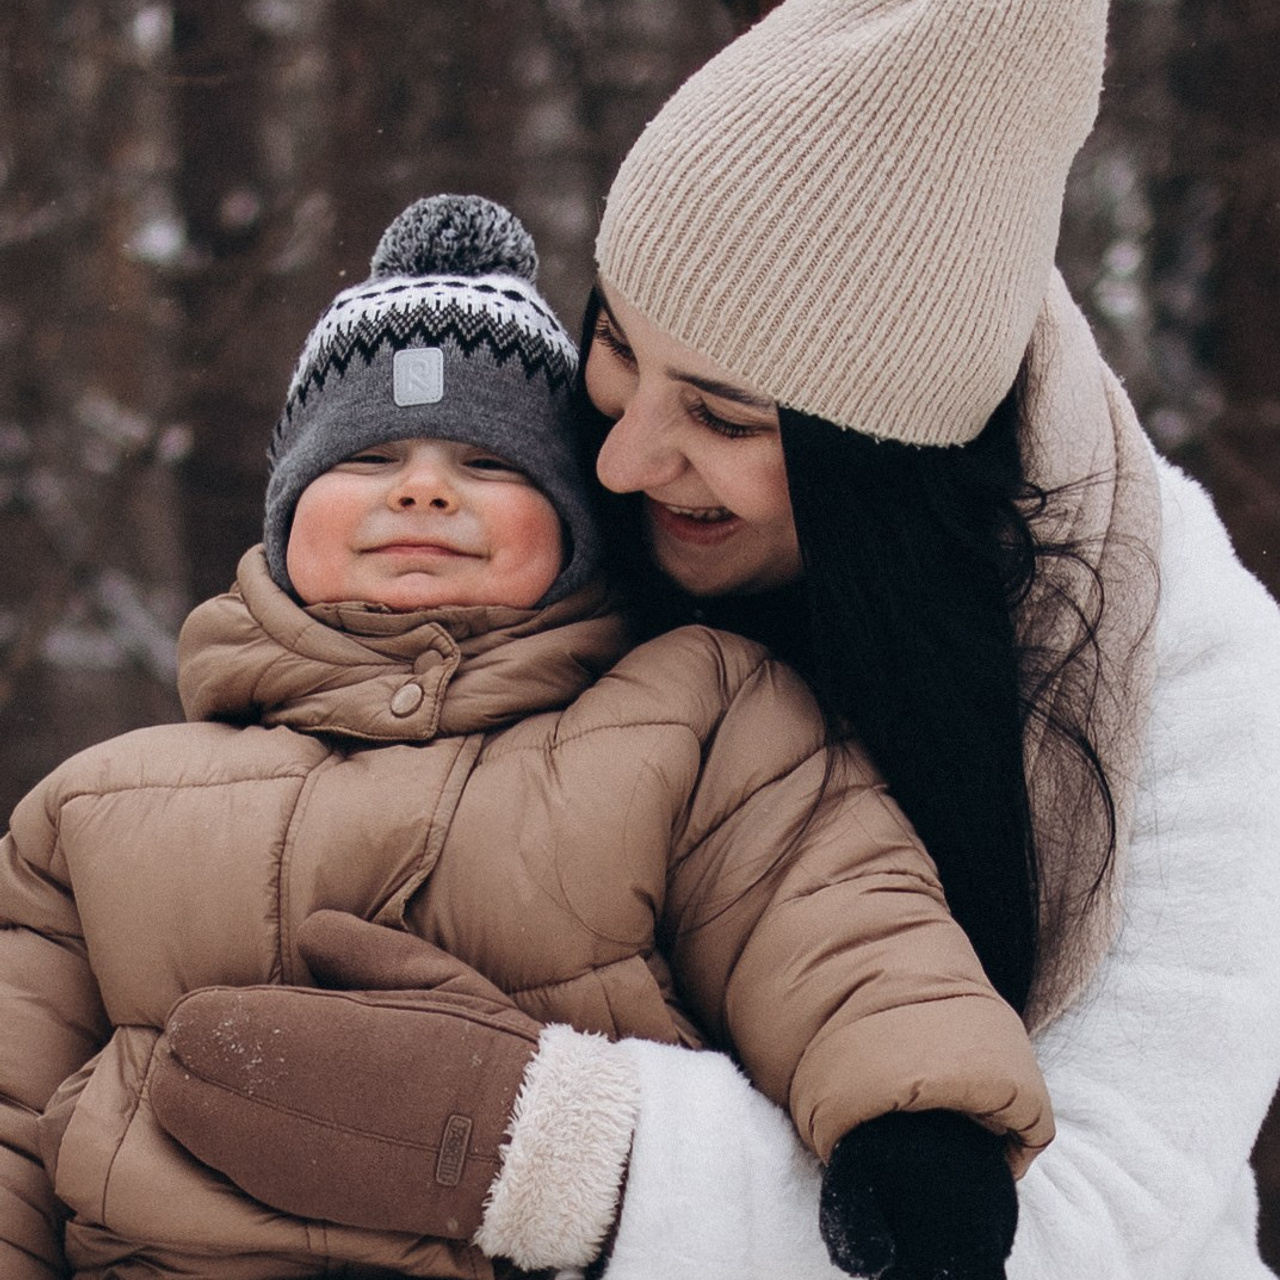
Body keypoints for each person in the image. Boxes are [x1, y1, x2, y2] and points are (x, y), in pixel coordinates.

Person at [140, 2, 1280, 1279]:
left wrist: (549, 1146)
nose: (621, 458)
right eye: (616, 346)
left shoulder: (1180, 668)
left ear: (880, 468)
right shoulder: (545, 513)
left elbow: (1101, 1219)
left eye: (724, 418)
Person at [0, 193, 1054, 1280]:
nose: (423, 489)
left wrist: (913, 1119)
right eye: (368, 458)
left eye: (489, 464)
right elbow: (11, 1101)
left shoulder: (690, 716)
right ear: (283, 510)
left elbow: (829, 913)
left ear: (575, 523)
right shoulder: (102, 805)